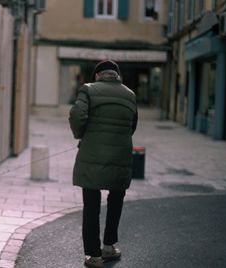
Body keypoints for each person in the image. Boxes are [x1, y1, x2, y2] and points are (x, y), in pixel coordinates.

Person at [69, 60, 138, 268]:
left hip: (92, 155)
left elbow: (77, 115)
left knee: (91, 204)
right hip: (121, 154)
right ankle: (109, 246)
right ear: (116, 76)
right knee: (116, 200)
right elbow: (132, 125)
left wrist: (81, 135)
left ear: (97, 76)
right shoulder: (130, 95)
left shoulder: (88, 90)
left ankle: (93, 255)